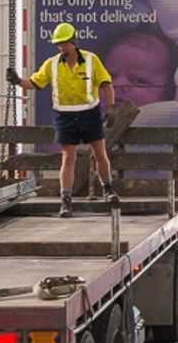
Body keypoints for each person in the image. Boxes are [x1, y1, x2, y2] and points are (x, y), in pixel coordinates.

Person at [9, 22, 116, 215]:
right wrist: (17, 81)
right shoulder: (52, 64)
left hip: (89, 113)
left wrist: (110, 107)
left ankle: (108, 188)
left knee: (100, 154)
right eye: (58, 44)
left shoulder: (92, 60)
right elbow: (34, 83)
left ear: (73, 42)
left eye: (64, 43)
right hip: (64, 115)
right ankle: (66, 201)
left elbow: (106, 84)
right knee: (68, 158)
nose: (60, 47)